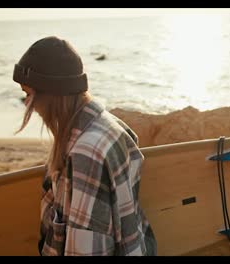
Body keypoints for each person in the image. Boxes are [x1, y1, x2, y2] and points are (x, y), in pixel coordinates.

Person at [12, 36, 157, 256]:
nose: (27, 104)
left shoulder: (85, 153)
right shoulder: (111, 125)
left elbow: (86, 248)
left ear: (52, 93)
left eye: (29, 94)